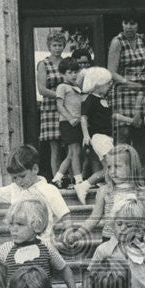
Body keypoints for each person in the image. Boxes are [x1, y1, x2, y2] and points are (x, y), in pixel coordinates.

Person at [63, 145, 145, 265]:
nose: (112, 171)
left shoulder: (141, 192)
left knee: (135, 274)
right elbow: (93, 219)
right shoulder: (105, 191)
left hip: (135, 242)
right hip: (109, 241)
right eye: (109, 167)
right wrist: (77, 235)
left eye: (117, 166)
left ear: (131, 167)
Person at [108, 11, 145, 164]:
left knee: (139, 132)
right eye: (126, 23)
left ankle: (140, 174)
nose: (129, 27)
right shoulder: (117, 42)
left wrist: (144, 83)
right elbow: (111, 72)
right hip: (122, 91)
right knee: (124, 133)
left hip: (139, 91)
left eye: (132, 23)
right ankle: (120, 170)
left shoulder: (143, 39)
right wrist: (130, 83)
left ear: (138, 24)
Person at [75, 67, 115, 205]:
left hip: (107, 137)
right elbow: (83, 118)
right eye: (107, 83)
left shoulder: (105, 100)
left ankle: (108, 190)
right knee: (110, 167)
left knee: (110, 167)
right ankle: (84, 185)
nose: (110, 86)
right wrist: (86, 135)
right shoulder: (90, 100)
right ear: (97, 84)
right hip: (98, 137)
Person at [36, 30, 68, 179]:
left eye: (60, 45)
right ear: (49, 46)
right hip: (50, 108)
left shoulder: (67, 63)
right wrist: (59, 94)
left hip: (67, 107)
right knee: (55, 147)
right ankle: (57, 180)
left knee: (70, 145)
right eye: (54, 45)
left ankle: (72, 177)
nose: (57, 48)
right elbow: (42, 89)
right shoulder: (44, 64)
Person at [51, 55, 86, 191]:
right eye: (69, 72)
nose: (73, 75)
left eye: (75, 72)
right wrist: (70, 118)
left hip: (77, 123)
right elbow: (59, 105)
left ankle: (56, 178)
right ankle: (78, 180)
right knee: (75, 150)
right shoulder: (62, 87)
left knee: (72, 154)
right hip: (67, 123)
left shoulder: (77, 87)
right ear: (63, 74)